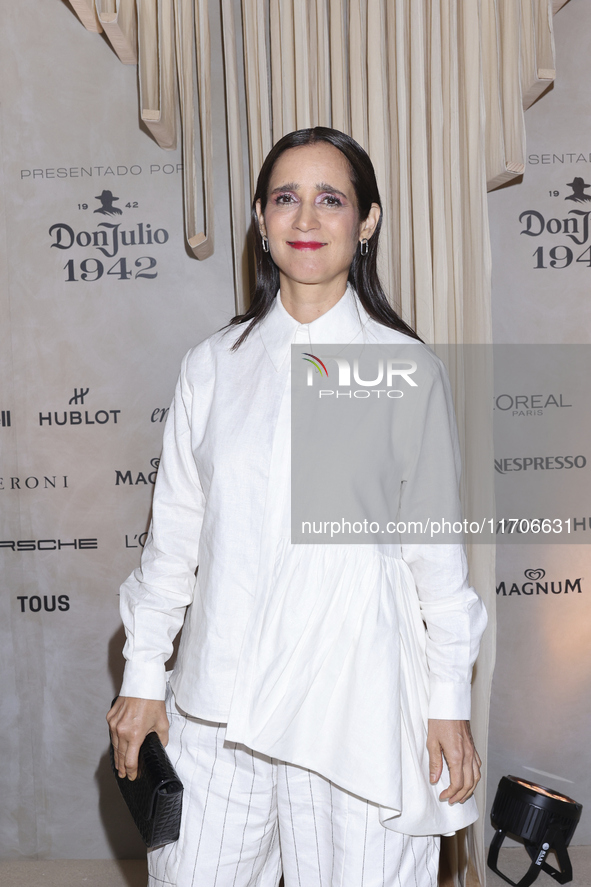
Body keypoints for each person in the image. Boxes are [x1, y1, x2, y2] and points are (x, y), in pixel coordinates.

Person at [107, 127, 487, 887]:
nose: (305, 219)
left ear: (366, 220)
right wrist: (144, 674)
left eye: (330, 199)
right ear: (260, 217)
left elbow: (435, 557)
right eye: (285, 198)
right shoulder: (215, 365)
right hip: (219, 707)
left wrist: (446, 699)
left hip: (356, 705)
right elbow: (175, 540)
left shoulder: (403, 370)